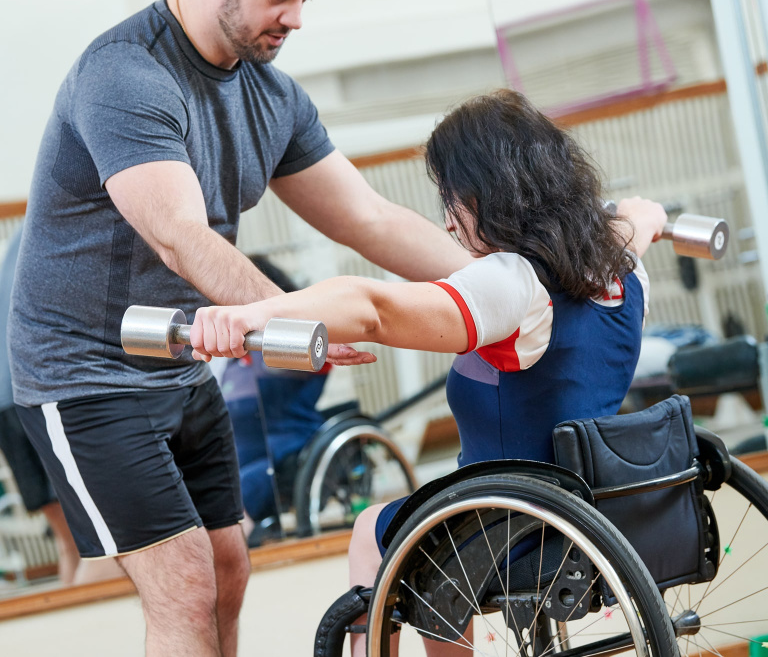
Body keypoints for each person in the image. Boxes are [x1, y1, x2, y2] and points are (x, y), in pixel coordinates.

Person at [8, 0, 472, 657]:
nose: (295, 18)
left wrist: (505, 282)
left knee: (227, 568)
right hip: (82, 374)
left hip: (181, 367)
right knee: (185, 585)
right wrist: (295, 319)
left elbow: (371, 220)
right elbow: (180, 237)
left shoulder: (273, 96)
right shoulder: (124, 75)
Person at [188, 89, 668, 657]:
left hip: (506, 521)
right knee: (429, 526)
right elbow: (638, 223)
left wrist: (252, 312)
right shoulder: (621, 270)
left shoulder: (514, 282)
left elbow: (373, 309)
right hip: (592, 510)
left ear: (486, 195)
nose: (447, 223)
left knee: (375, 531)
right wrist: (646, 214)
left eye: (452, 201)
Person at [0, 228, 122, 586]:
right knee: (99, 543)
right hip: (40, 393)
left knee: (73, 543)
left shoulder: (24, 241)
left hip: (12, 400)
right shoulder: (66, 234)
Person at [219, 255, 329, 545]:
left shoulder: (290, 345)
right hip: (235, 462)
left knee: (229, 501)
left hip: (286, 455)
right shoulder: (230, 359)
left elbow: (321, 350)